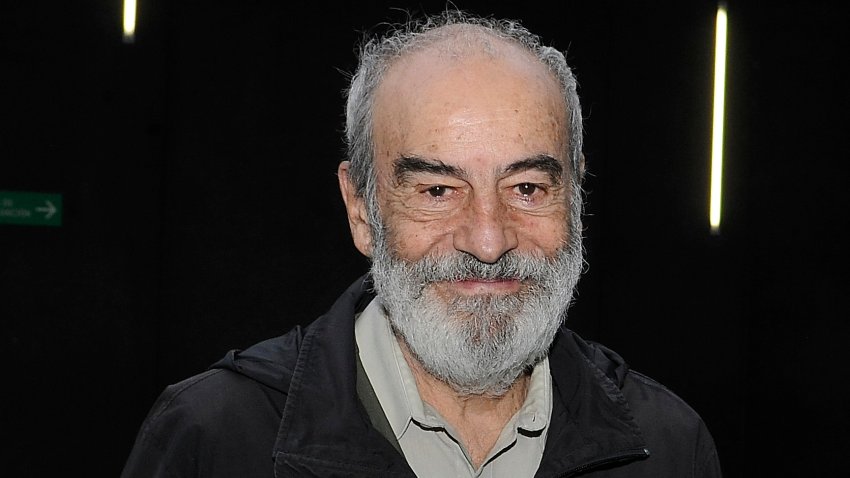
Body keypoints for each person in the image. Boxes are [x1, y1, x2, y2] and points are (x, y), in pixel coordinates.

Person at [121, 10, 721, 478]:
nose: (488, 239)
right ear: (361, 208)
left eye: (528, 187)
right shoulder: (219, 440)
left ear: (576, 197)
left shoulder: (665, 447)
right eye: (437, 190)